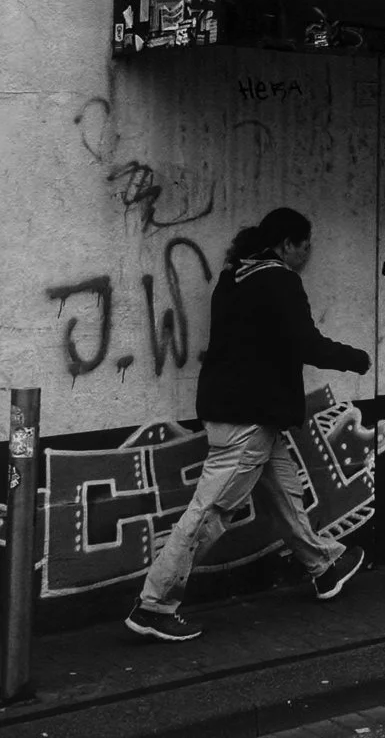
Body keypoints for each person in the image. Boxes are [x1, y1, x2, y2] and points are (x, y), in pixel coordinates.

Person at [126, 208, 372, 642]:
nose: (308, 254)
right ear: (287, 244)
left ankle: (324, 566)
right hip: (249, 419)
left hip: (241, 410)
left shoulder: (234, 277)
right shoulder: (280, 281)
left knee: (285, 494)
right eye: (305, 246)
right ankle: (154, 606)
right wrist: (356, 358)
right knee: (210, 512)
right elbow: (306, 343)